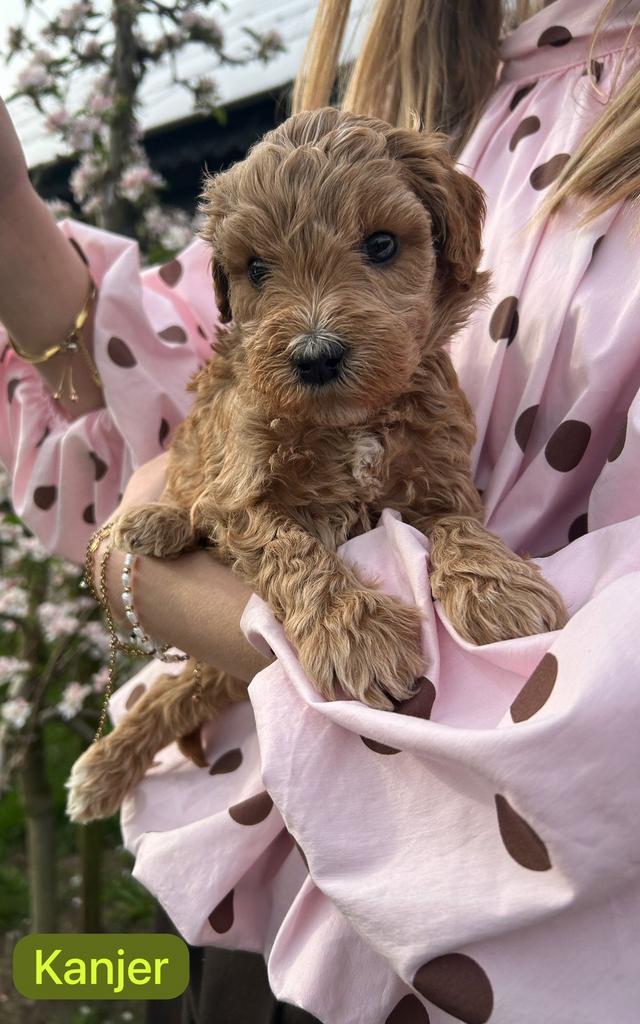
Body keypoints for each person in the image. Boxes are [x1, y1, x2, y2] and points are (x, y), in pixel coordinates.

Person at [2, 0, 639, 1020]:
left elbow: (435, 520)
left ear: (453, 238)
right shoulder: (429, 75)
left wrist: (211, 607)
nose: (314, 329)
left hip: (496, 911)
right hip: (243, 875)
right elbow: (161, 413)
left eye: (380, 248)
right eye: (260, 273)